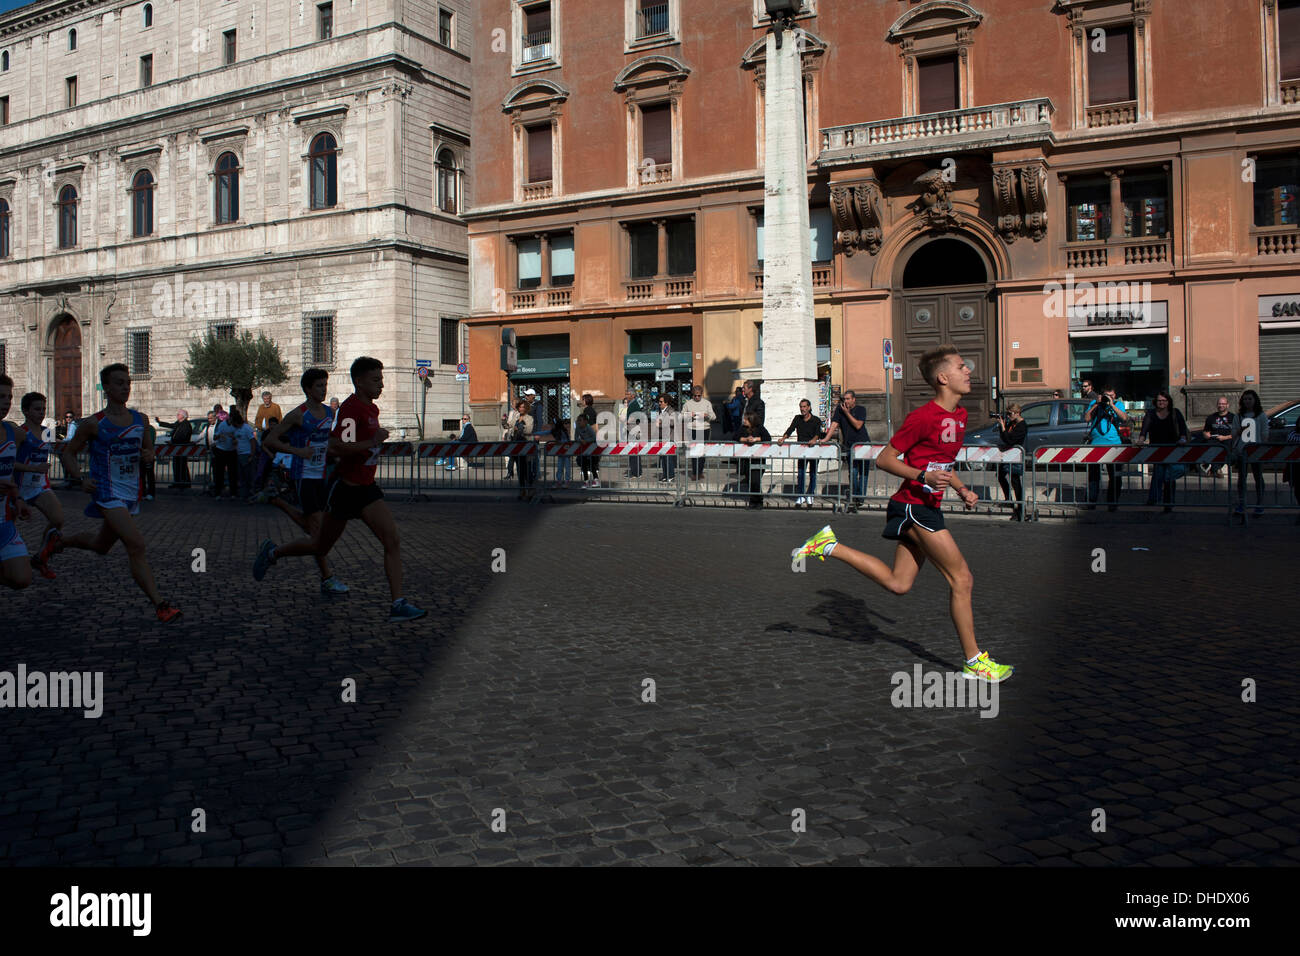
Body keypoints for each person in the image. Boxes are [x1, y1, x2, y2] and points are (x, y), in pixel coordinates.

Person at [793, 345, 1013, 684]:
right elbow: (885, 459)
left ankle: (829, 546)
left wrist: (960, 487)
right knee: (962, 579)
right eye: (960, 366)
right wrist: (923, 477)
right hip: (914, 505)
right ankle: (974, 662)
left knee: (899, 584)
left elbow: (940, 461)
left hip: (925, 504)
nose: (968, 370)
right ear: (943, 378)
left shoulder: (960, 415)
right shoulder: (922, 417)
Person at [254, 356, 426, 622]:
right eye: (376, 380)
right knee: (319, 545)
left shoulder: (367, 409)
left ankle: (398, 604)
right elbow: (336, 447)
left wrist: (373, 442)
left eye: (381, 379)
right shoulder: (349, 409)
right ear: (359, 382)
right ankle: (274, 553)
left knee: (392, 540)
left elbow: (349, 446)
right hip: (344, 489)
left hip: (366, 489)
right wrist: (371, 441)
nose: (381, 385)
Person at [54, 364, 182, 622]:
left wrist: (149, 455)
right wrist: (80, 478)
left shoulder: (140, 420)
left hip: (130, 493)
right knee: (136, 545)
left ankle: (60, 542)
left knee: (101, 546)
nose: (126, 387)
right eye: (119, 383)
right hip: (106, 492)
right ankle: (161, 605)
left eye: (127, 382)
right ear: (107, 388)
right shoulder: (93, 423)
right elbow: (68, 453)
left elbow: (149, 453)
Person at [260, 369, 348, 595]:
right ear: (308, 389)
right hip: (304, 476)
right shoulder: (297, 414)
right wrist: (296, 450)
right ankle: (324, 577)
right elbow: (270, 440)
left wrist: (336, 455)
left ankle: (277, 503)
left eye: (325, 385)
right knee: (317, 535)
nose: (323, 389)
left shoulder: (329, 413)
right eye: (319, 386)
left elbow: (328, 440)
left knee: (314, 531)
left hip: (323, 476)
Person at [13, 393, 65, 578]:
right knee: (8, 529)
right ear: (25, 411)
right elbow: (8, 463)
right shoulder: (20, 433)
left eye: (43, 409)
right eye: (37, 409)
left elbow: (56, 452)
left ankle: (40, 557)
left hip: (39, 486)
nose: (41, 413)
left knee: (58, 519)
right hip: (18, 488)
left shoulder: (47, 432)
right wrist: (32, 467)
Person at [0, 376, 34, 590]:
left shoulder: (14, 433)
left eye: (9, 397)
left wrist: (18, 498)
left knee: (22, 579)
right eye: (0, 396)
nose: (6, 402)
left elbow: (8, 472)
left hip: (4, 520)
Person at [1138, 389, 1188, 512]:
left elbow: (1182, 428)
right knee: (1159, 474)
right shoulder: (1150, 414)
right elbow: (1144, 429)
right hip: (1157, 450)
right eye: (1159, 400)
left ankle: (1168, 503)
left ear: (1168, 402)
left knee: (1169, 476)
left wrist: (1182, 439)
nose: (1161, 403)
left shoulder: (1175, 413)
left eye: (1164, 400)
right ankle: (1154, 499)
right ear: (1156, 402)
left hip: (1173, 448)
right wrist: (1141, 439)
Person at [823, 390, 871, 512]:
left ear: (854, 399)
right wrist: (826, 438)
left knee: (863, 473)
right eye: (844, 399)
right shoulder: (840, 410)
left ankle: (860, 498)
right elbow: (834, 424)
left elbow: (858, 425)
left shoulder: (860, 409)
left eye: (848, 399)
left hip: (863, 444)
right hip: (849, 445)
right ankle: (855, 496)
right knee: (853, 472)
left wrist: (847, 413)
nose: (846, 401)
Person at [1084, 384, 1128, 511]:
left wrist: (1111, 405)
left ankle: (1112, 503)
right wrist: (1096, 404)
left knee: (1115, 476)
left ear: (1115, 396)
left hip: (1114, 445)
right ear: (1101, 395)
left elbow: (1124, 418)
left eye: (1112, 396)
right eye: (1106, 396)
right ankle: (1091, 501)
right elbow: (1087, 418)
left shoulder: (1118, 404)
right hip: (1096, 445)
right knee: (1093, 476)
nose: (1109, 398)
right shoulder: (1094, 403)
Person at [778, 399, 825, 508]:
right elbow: (790, 429)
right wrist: (783, 438)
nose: (803, 409)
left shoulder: (816, 420)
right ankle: (801, 495)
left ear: (809, 407)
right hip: (801, 450)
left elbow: (818, 433)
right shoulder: (797, 418)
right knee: (801, 473)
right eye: (801, 407)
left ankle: (810, 494)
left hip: (813, 449)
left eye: (804, 407)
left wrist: (814, 439)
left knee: (813, 472)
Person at [1233, 389, 1268, 517]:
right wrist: (1239, 431)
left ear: (1255, 400)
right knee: (1242, 478)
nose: (1247, 401)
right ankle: (1242, 503)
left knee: (1258, 477)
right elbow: (1234, 434)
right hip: (1243, 451)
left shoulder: (1261, 416)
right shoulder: (1238, 416)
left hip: (1257, 451)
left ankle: (1260, 504)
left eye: (1250, 399)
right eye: (1245, 399)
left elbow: (1265, 433)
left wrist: (1261, 448)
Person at [994, 403, 1028, 521]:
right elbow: (1004, 437)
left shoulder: (1021, 426)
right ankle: (1009, 500)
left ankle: (1020, 509)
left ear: (1017, 413)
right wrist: (1002, 426)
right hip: (1007, 455)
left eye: (1010, 414)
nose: (1008, 417)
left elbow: (1009, 439)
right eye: (1007, 414)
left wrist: (1003, 427)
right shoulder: (1012, 423)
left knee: (1015, 481)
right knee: (1000, 475)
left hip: (1015, 456)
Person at [737, 410, 771, 508]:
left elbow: (767, 437)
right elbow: (736, 436)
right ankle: (754, 501)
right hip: (747, 459)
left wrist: (756, 439)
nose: (744, 421)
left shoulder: (760, 428)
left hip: (758, 459)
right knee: (751, 481)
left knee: (755, 480)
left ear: (751, 420)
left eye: (746, 419)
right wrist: (745, 439)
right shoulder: (743, 428)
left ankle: (759, 501)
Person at [682, 385, 716, 480]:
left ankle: (700, 471)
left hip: (704, 429)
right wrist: (689, 415)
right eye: (695, 395)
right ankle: (694, 472)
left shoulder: (707, 403)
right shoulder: (688, 404)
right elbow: (681, 416)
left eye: (699, 395)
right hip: (692, 429)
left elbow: (714, 416)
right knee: (694, 451)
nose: (697, 397)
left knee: (701, 451)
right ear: (692, 395)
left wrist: (707, 415)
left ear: (702, 395)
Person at [155, 410, 193, 487]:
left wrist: (173, 442)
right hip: (177, 448)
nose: (177, 415)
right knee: (177, 466)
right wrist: (160, 422)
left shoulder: (186, 425)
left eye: (179, 414)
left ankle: (184, 482)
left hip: (181, 448)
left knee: (181, 466)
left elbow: (183, 437)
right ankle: (178, 482)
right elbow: (171, 425)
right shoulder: (179, 423)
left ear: (183, 416)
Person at [509, 399, 538, 499]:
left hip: (526, 446)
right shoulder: (517, 416)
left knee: (527, 469)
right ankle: (522, 490)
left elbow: (529, 429)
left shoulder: (529, 418)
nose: (521, 409)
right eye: (520, 407)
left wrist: (521, 427)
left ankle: (530, 489)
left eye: (523, 407)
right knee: (520, 470)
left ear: (526, 408)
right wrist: (507, 423)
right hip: (517, 446)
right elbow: (510, 425)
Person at [209, 407, 239, 499]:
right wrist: (220, 435)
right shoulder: (222, 425)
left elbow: (238, 438)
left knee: (232, 473)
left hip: (231, 450)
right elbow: (215, 437)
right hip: (221, 450)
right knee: (219, 472)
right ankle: (218, 492)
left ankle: (233, 493)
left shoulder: (235, 426)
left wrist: (234, 439)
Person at [1201, 396, 1235, 478]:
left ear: (1227, 405)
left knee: (1226, 447)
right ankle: (1216, 469)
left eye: (1223, 404)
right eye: (1219, 404)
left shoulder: (1233, 417)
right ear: (1217, 405)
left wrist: (1225, 437)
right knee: (1211, 447)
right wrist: (1206, 434)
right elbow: (1205, 431)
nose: (1221, 405)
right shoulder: (1211, 417)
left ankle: (1214, 470)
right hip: (1213, 440)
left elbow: (1237, 433)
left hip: (1227, 440)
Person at [228, 408, 257, 502]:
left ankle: (250, 494)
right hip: (239, 454)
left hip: (246, 454)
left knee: (248, 476)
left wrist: (252, 455)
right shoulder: (236, 430)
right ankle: (244, 494)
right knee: (241, 476)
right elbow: (237, 440)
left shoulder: (247, 428)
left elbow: (253, 441)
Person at [621, 389, 645, 478]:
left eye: (628, 394)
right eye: (626, 393)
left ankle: (636, 472)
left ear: (633, 395)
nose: (626, 395)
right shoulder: (631, 404)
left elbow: (638, 417)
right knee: (633, 451)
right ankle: (635, 471)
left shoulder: (634, 404)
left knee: (634, 451)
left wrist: (630, 421)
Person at [574, 408, 600, 489]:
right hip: (583, 448)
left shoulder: (589, 428)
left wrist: (587, 441)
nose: (578, 422)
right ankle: (586, 481)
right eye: (578, 420)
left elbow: (594, 437)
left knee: (592, 465)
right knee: (584, 465)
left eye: (580, 420)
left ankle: (596, 480)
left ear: (585, 421)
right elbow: (576, 437)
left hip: (591, 447)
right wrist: (580, 440)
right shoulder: (578, 428)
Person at [655, 394, 678, 483]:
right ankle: (665, 475)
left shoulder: (671, 411)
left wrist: (661, 422)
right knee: (663, 457)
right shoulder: (661, 410)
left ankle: (671, 476)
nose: (659, 403)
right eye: (659, 401)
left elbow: (673, 422)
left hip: (669, 438)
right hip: (662, 438)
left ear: (666, 402)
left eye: (661, 402)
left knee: (668, 458)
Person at [550, 418, 573, 487]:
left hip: (566, 452)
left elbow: (567, 440)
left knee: (567, 466)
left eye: (552, 424)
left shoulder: (562, 431)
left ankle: (567, 481)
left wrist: (560, 442)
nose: (551, 425)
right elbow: (545, 432)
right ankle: (559, 481)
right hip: (560, 452)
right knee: (559, 466)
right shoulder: (555, 431)